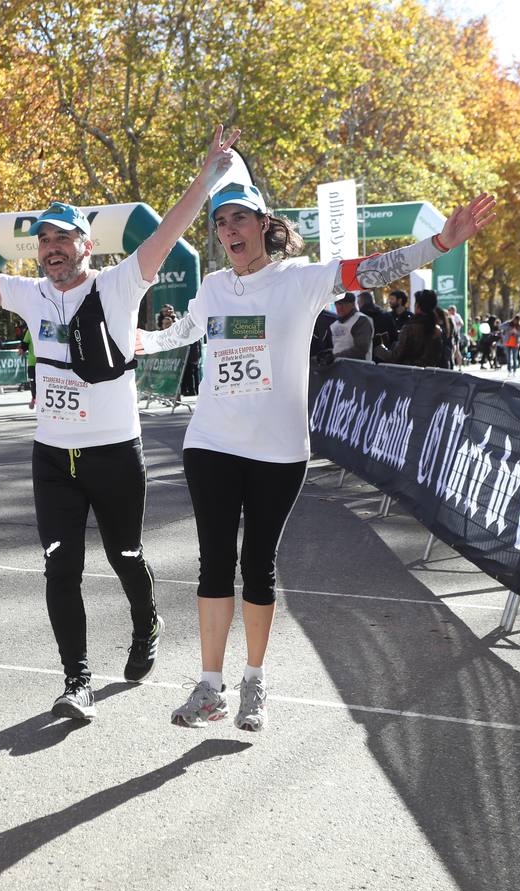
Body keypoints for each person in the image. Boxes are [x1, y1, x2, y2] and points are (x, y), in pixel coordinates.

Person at [0, 125, 244, 721]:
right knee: (60, 564)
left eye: (61, 238)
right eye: (43, 239)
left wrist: (208, 176)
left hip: (114, 454)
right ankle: (77, 681)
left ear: (85, 246)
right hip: (53, 458)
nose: (50, 248)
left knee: (126, 555)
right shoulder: (29, 295)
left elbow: (169, 229)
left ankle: (145, 619)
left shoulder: (120, 283)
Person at [139, 181, 495, 731]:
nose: (229, 229)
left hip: (277, 448)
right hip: (211, 441)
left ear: (263, 224)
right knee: (214, 561)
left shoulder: (301, 280)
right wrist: (138, 340)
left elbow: (372, 269)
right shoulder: (211, 286)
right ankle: (210, 687)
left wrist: (439, 245)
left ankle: (253, 681)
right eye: (221, 222)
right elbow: (186, 330)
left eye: (239, 218)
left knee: (257, 564)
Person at [377, 289, 448, 368]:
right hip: (429, 377)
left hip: (409, 376)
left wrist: (379, 349)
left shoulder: (410, 328)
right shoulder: (438, 330)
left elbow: (396, 357)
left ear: (418, 306)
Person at [329, 291, 373, 361]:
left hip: (357, 367)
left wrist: (335, 357)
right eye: (337, 304)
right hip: (338, 366)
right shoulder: (334, 324)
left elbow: (361, 349)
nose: (340, 307)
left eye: (344, 304)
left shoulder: (360, 320)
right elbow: (336, 346)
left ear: (353, 304)